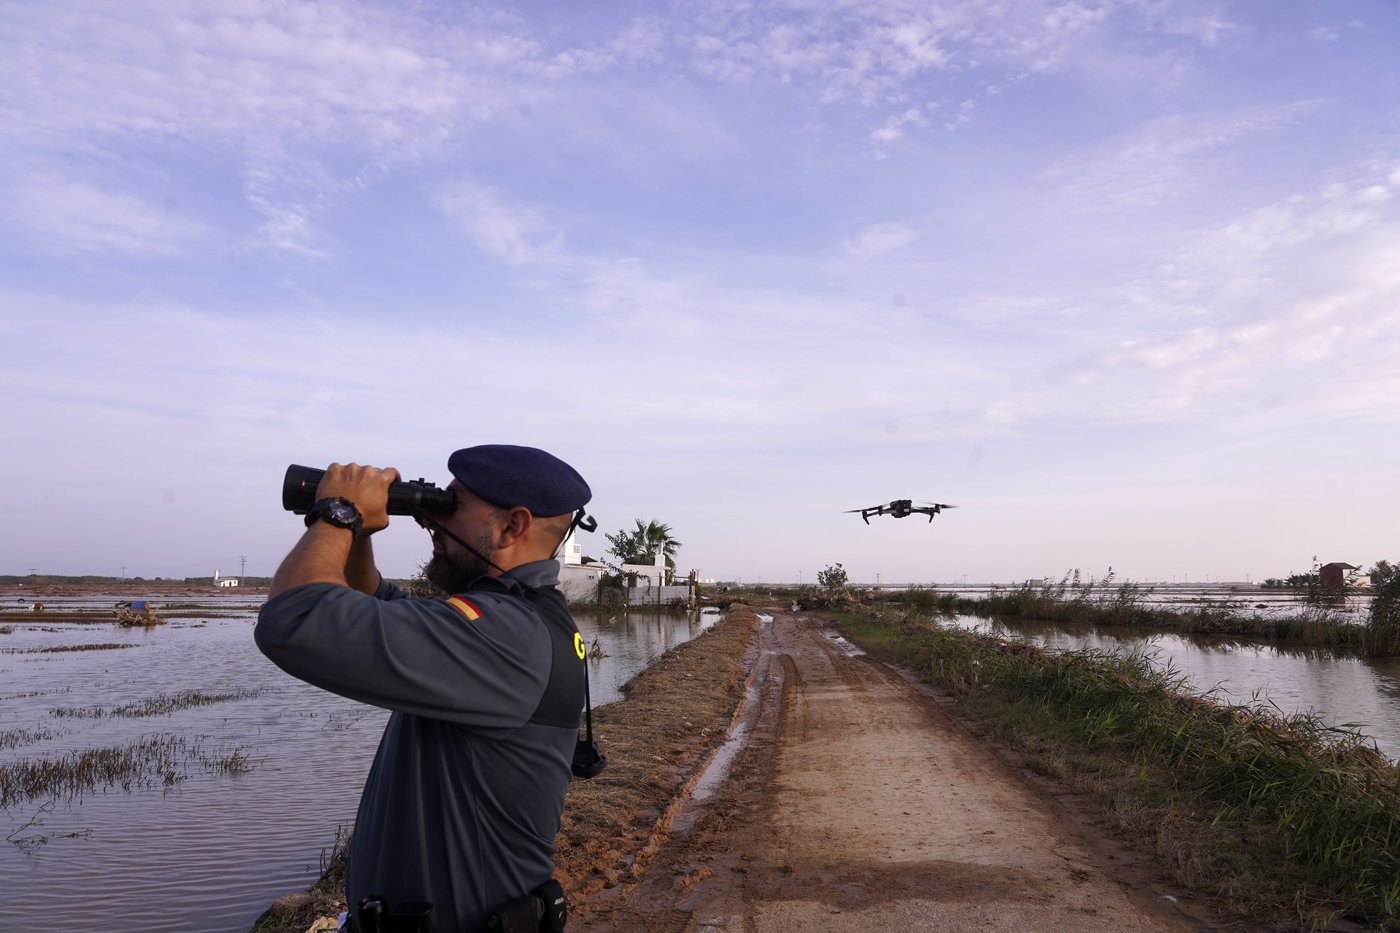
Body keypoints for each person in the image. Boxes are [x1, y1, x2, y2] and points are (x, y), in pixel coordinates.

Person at [255, 444, 592, 933]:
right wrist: (362, 535)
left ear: (511, 526)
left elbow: (295, 621)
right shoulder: (520, 619)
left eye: (450, 504)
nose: (431, 519)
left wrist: (339, 512)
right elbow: (369, 599)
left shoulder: (506, 635)